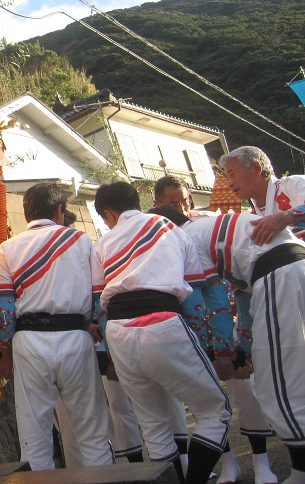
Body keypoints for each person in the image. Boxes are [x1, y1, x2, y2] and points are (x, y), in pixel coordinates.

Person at [91, 181, 232, 484]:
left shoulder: (102, 244)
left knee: (153, 426)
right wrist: (215, 345)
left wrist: (113, 353)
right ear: (136, 202)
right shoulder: (167, 227)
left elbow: (100, 306)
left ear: (108, 214)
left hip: (118, 331)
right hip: (164, 321)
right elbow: (198, 292)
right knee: (215, 410)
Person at [0, 182, 113, 471]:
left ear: (25, 214)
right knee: (93, 432)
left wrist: (5, 352)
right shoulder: (82, 241)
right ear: (60, 211)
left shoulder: (5, 249)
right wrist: (102, 335)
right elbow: (99, 297)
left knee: (34, 438)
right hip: (76, 338)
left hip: (28, 342)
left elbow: (4, 311)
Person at [184, 211, 305, 484]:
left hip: (278, 274)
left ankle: (301, 470)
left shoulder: (185, 239)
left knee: (279, 386)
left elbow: (214, 299)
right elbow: (242, 293)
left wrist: (225, 354)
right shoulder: (207, 230)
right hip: (292, 269)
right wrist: (244, 349)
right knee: (293, 377)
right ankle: (299, 470)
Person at [219, 146, 305, 244]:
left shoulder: (293, 184)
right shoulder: (253, 218)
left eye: (232, 175)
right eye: (227, 178)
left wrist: (286, 218)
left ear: (257, 168)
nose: (229, 183)